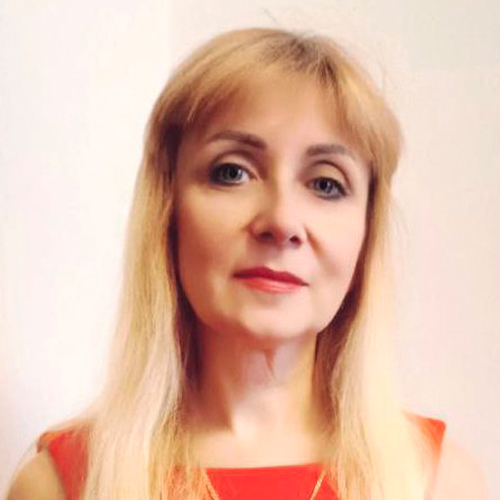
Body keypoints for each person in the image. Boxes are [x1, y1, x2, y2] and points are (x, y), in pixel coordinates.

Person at [7, 27, 486, 500]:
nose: (282, 221)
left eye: (325, 184)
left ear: (366, 233)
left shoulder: (438, 483)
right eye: (232, 172)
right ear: (167, 211)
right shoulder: (59, 486)